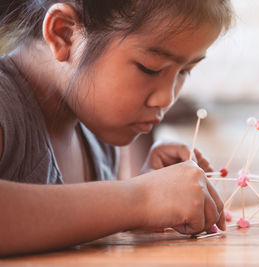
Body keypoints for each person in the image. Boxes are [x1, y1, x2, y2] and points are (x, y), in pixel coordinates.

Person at [0, 0, 233, 256]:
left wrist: (149, 203)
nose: (167, 99)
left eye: (185, 72)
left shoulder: (98, 136)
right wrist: (138, 199)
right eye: (150, 68)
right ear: (64, 33)